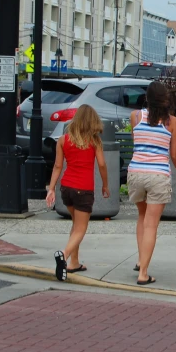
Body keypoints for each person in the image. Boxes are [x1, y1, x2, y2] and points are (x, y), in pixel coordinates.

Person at [127, 81, 176, 286]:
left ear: (147, 98)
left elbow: (138, 141)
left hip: (136, 172)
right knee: (152, 224)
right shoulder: (172, 122)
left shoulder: (135, 116)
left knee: (141, 217)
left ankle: (140, 259)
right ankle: (143, 272)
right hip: (158, 175)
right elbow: (175, 154)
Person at [45, 105, 109, 281]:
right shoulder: (94, 141)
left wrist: (51, 189)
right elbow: (102, 164)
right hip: (83, 189)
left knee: (75, 225)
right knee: (81, 228)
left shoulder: (63, 140)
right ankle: (64, 256)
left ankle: (74, 262)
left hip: (66, 188)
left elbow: (58, 166)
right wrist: (105, 185)